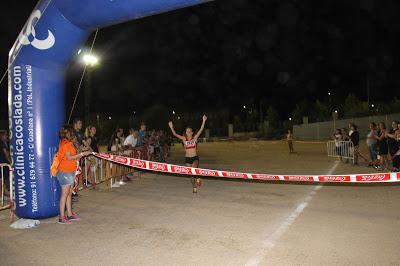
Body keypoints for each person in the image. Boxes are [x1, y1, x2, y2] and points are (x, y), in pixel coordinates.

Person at [56, 125, 91, 224]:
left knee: (69, 193)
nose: (73, 134)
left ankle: (70, 214)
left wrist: (82, 151)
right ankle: (62, 217)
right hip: (65, 171)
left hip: (70, 171)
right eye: (71, 133)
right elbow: (69, 157)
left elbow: (74, 155)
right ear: (67, 134)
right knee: (65, 194)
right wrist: (82, 154)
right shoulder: (65, 143)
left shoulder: (69, 143)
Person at [168, 115, 207, 193]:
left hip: (195, 158)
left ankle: (197, 177)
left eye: (189, 131)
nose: (188, 132)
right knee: (191, 175)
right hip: (187, 159)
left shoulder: (195, 138)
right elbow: (175, 135)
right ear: (185, 132)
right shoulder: (184, 139)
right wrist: (171, 127)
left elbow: (201, 129)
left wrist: (203, 121)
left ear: (192, 132)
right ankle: (194, 186)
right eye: (187, 131)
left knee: (193, 169)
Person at [0, 130, 11, 197]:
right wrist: (10, 162)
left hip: (4, 164)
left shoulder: (5, 143)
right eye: (5, 135)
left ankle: (4, 193)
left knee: (3, 179)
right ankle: (3, 194)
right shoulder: (2, 144)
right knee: (3, 178)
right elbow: (6, 154)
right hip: (3, 164)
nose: (7, 137)